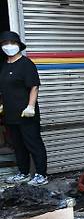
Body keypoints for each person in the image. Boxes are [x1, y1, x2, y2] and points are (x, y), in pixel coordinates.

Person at [0, 31, 48, 185]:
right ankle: (23, 173)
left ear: (18, 45)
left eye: (12, 43)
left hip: (27, 114)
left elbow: (34, 86)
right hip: (10, 114)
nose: (9, 46)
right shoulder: (4, 66)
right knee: (18, 145)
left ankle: (41, 175)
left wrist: (31, 106)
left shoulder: (26, 64)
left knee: (33, 143)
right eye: (5, 43)